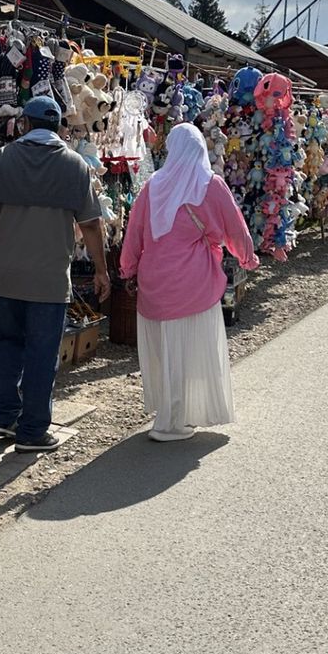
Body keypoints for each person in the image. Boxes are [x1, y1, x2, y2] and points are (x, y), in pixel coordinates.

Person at [0, 96, 110, 453]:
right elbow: (91, 225)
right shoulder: (74, 165)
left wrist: (0, 240)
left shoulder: (2, 160)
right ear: (59, 127)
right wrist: (101, 270)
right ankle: (32, 432)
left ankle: (3, 417)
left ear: (24, 123)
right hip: (49, 279)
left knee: (6, 345)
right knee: (41, 353)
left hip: (3, 275)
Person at [119, 123, 259, 442]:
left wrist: (128, 271)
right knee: (190, 348)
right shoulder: (210, 185)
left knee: (165, 351)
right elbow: (235, 230)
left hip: (155, 281)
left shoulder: (152, 185)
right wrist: (248, 259)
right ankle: (175, 421)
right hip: (193, 280)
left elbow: (134, 234)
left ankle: (169, 414)